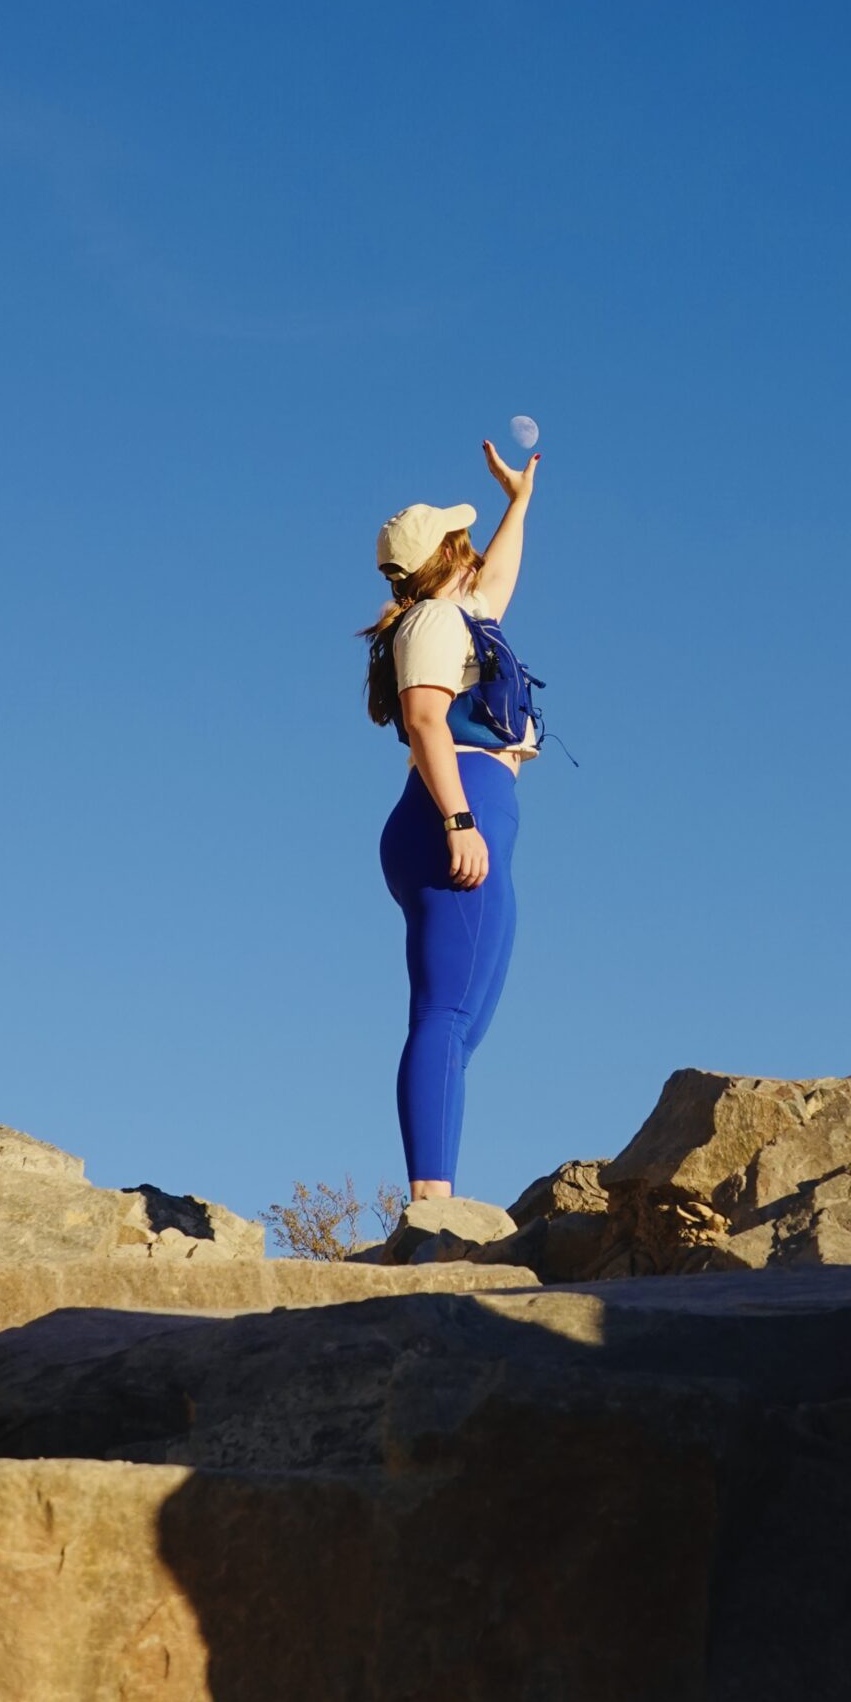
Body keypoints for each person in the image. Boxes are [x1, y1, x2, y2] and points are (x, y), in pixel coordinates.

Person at [361, 438, 543, 1200]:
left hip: (463, 808)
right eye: (461, 541)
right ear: (443, 554)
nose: (474, 551)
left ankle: (437, 1199)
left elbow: (498, 581)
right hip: (454, 808)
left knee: (460, 1020)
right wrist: (460, 822)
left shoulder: (455, 615)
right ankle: (432, 1206)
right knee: (446, 1013)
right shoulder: (434, 621)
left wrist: (519, 503)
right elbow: (427, 719)